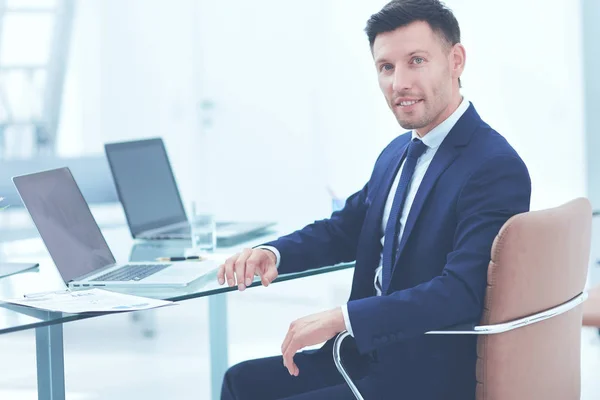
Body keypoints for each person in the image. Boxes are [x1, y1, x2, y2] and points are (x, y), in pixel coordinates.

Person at [217, 0, 531, 398]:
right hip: (363, 354)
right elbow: (343, 230)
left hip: (423, 373)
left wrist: (342, 318)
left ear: (456, 60)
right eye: (386, 67)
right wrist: (273, 253)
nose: (399, 82)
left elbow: (461, 292)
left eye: (416, 60)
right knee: (240, 382)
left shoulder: (493, 165)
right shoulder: (398, 152)